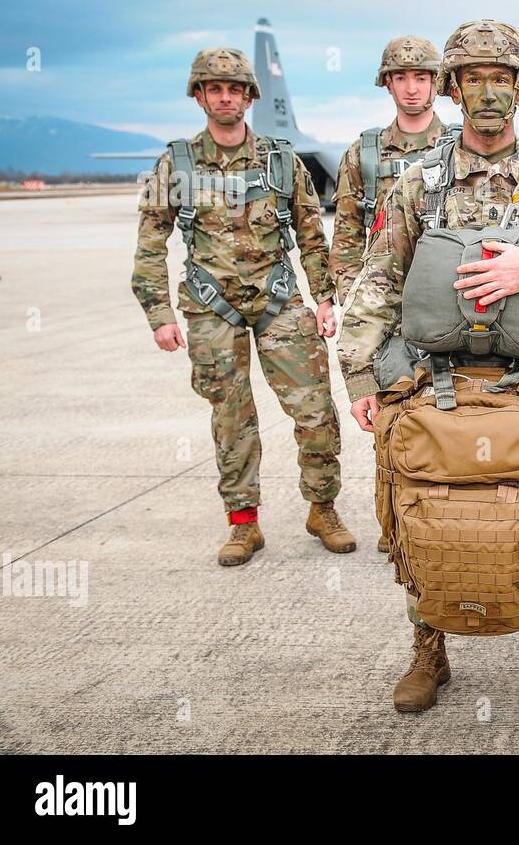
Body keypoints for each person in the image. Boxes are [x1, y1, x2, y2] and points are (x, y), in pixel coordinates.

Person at [337, 20, 519, 713]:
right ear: (452, 88)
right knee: (422, 511)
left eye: (503, 78)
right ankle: (427, 650)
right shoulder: (417, 182)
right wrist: (359, 374)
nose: (488, 92)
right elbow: (379, 277)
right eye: (474, 79)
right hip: (436, 379)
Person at [132, 48, 353, 566]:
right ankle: (243, 523)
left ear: (249, 98)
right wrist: (160, 313)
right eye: (213, 89)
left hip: (279, 300)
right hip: (211, 309)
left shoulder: (280, 159)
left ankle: (323, 508)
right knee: (231, 417)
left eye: (234, 89)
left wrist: (324, 297)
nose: (225, 96)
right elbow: (150, 241)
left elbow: (309, 234)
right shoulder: (177, 164)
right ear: (199, 97)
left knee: (315, 408)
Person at [330, 36, 447, 551]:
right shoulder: (366, 154)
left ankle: (443, 508)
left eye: (421, 77)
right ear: (388, 84)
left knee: (447, 409)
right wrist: (351, 303)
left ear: (436, 83)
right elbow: (347, 238)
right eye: (401, 77)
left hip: (447, 303)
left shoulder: (458, 145)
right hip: (387, 304)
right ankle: (395, 521)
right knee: (390, 414)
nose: (412, 87)